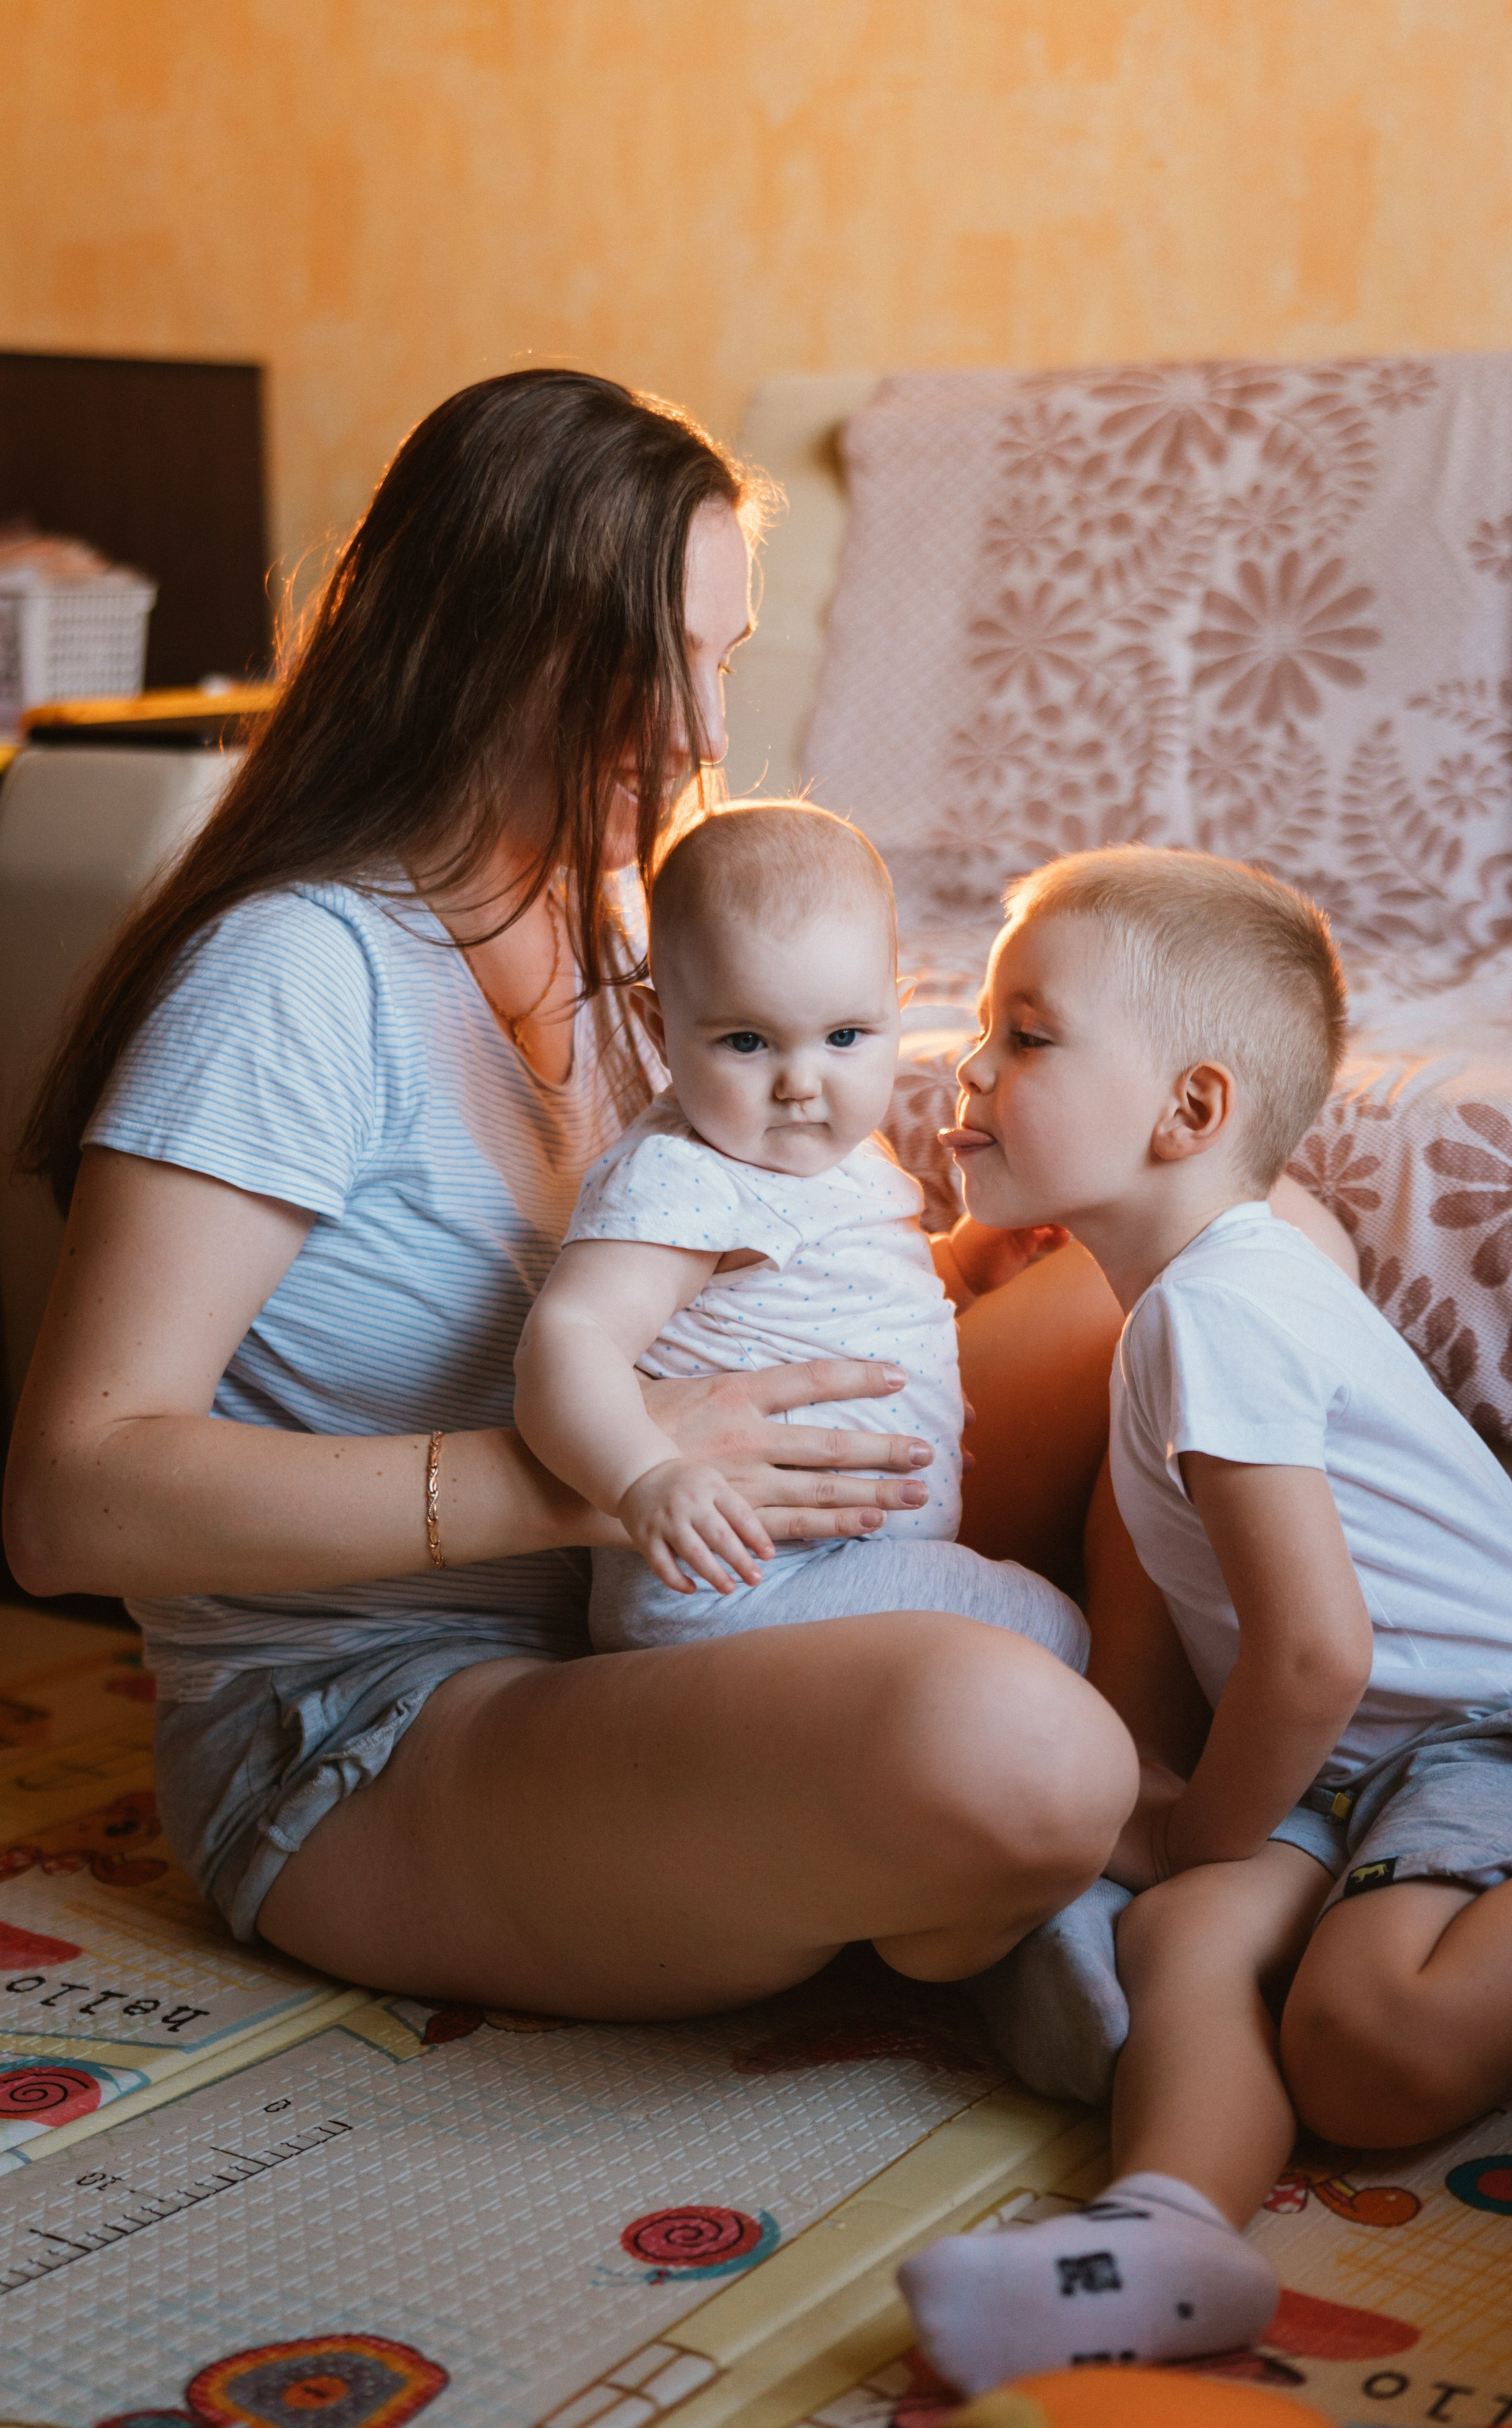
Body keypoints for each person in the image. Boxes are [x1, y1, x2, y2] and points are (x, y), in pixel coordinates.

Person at [2, 371, 1139, 2017]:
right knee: (1016, 1749)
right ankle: (1007, 1865)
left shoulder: (633, 938)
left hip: (677, 1607)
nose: (697, 731)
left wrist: (953, 1261)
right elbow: (70, 1503)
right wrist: (587, 1484)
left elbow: (709, 1263)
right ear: (480, 644)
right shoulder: (295, 973)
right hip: (389, 1724)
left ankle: (1180, 1815)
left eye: (720, 658)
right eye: (645, 660)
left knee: (1194, 1258)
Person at [899, 845, 1512, 2394]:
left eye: (1025, 1034)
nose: (968, 1063)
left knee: (1362, 2042)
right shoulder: (1174, 1307)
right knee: (1183, 1937)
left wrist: (1203, 1823)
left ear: (1188, 1112)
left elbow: (1308, 1651)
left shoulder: (1221, 1305)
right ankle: (1163, 2231)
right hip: (1358, 1758)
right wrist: (1189, 1847)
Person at [514, 796, 1085, 1669]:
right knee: (1045, 1631)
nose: (801, 1084)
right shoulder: (685, 1175)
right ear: (660, 1028)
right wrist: (646, 1479)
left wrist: (963, 1264)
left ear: (898, 1011)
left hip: (839, 1558)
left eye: (845, 1036)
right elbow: (569, 1338)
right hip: (739, 1588)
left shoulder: (834, 1156)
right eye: (748, 1042)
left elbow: (831, 1291)